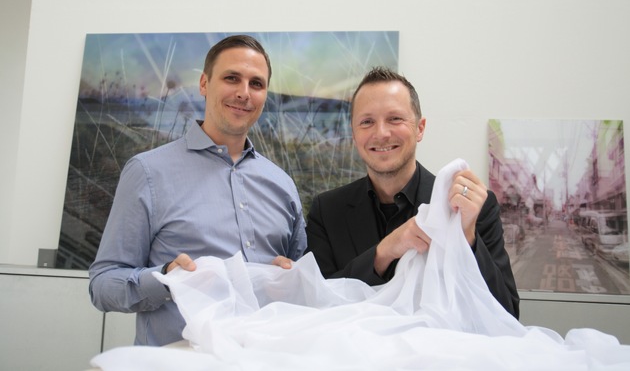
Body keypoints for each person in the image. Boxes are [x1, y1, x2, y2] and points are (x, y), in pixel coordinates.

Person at [89, 35, 307, 346]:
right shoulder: (148, 172)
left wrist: (289, 279)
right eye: (232, 78)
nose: (244, 93)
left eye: (256, 84)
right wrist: (167, 279)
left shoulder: (282, 184)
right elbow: (102, 285)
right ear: (204, 84)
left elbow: (299, 281)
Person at [306, 67, 519, 318]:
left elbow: (507, 313)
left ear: (420, 128)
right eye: (367, 122)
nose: (381, 133)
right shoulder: (326, 211)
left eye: (395, 118)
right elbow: (316, 306)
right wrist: (383, 252)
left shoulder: (471, 208)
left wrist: (466, 239)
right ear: (354, 135)